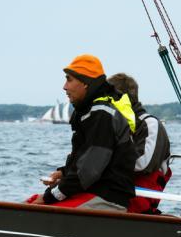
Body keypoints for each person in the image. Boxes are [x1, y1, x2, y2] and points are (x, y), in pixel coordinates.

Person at [30, 54, 136, 211]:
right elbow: (85, 160)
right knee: (31, 203)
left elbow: (88, 171)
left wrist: (49, 197)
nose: (64, 87)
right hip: (93, 192)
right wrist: (64, 172)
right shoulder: (91, 112)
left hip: (107, 198)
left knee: (36, 210)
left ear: (86, 83)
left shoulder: (101, 115)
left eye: (69, 80)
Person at [108, 72, 172, 214]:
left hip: (137, 197)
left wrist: (104, 160)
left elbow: (142, 163)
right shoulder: (112, 123)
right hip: (114, 191)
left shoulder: (150, 124)